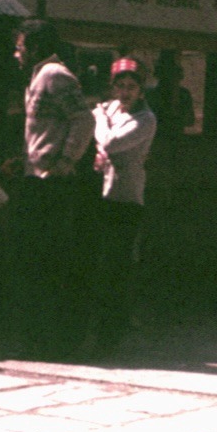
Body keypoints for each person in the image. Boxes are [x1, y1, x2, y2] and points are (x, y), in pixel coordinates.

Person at [9, 19, 95, 358]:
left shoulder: (54, 75)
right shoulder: (36, 77)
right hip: (35, 175)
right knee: (34, 259)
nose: (16, 54)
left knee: (46, 260)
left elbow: (84, 120)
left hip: (52, 183)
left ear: (33, 46)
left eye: (19, 47)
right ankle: (36, 338)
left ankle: (52, 340)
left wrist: (65, 161)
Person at [83, 57, 158, 354]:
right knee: (97, 266)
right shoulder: (109, 108)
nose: (125, 92)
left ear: (141, 90)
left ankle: (112, 334)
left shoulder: (146, 119)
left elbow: (110, 142)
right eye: (120, 86)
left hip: (126, 199)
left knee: (117, 267)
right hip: (100, 195)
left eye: (131, 86)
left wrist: (99, 120)